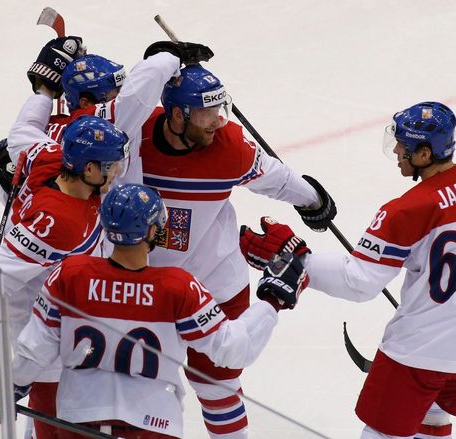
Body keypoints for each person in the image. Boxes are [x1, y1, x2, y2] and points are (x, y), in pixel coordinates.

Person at [239, 101, 456, 439]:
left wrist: (299, 261)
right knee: (432, 421)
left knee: (383, 431)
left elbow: (358, 282)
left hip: (421, 352)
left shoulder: (406, 211)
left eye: (404, 145)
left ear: (424, 154)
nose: (399, 150)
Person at [0, 183, 309, 439]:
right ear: (151, 231)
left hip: (79, 417)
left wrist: (8, 383)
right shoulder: (178, 287)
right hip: (153, 423)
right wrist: (271, 301)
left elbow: (34, 350)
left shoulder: (72, 274)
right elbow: (233, 350)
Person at [138, 64, 337, 437]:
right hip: (146, 285)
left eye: (219, 110)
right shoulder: (135, 136)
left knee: (217, 387)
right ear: (177, 115)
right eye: (206, 113)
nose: (217, 122)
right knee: (143, 389)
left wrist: (314, 200)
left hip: (216, 284)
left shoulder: (229, 147)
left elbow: (275, 179)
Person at [0, 111, 130, 436]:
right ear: (88, 169)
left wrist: (43, 88)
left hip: (75, 327)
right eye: (111, 165)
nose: (117, 172)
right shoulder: (57, 222)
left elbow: (20, 135)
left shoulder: (52, 157)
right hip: (47, 334)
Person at [7, 39, 214, 187]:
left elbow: (22, 132)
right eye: (115, 92)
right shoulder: (103, 129)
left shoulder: (52, 129)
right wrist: (171, 54)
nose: (122, 94)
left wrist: (44, 89)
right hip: (109, 243)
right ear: (86, 102)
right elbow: (139, 91)